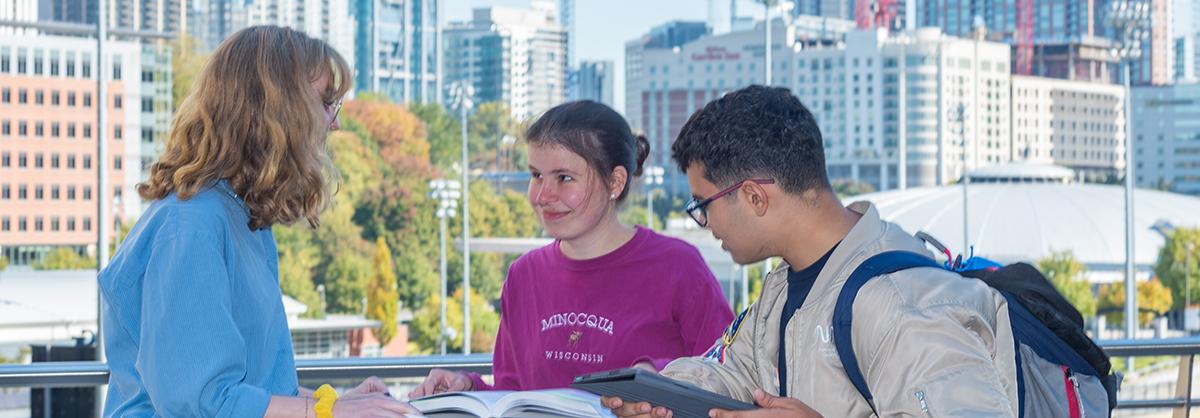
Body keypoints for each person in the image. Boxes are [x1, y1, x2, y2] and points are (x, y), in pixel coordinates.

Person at [603, 86, 1019, 418]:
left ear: (753, 197)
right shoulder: (786, 288)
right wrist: (657, 391)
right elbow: (736, 375)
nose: (704, 223)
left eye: (702, 205)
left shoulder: (902, 305)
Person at [99, 26, 417, 418]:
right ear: (279, 110)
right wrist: (327, 414)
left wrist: (331, 404)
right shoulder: (192, 228)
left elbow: (253, 389)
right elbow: (203, 403)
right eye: (326, 101)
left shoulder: (238, 218)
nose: (333, 123)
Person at [408, 100, 734, 396]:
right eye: (536, 175)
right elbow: (513, 391)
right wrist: (467, 386)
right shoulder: (524, 275)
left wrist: (656, 375)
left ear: (616, 182)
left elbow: (730, 377)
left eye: (564, 178)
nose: (542, 195)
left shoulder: (678, 266)